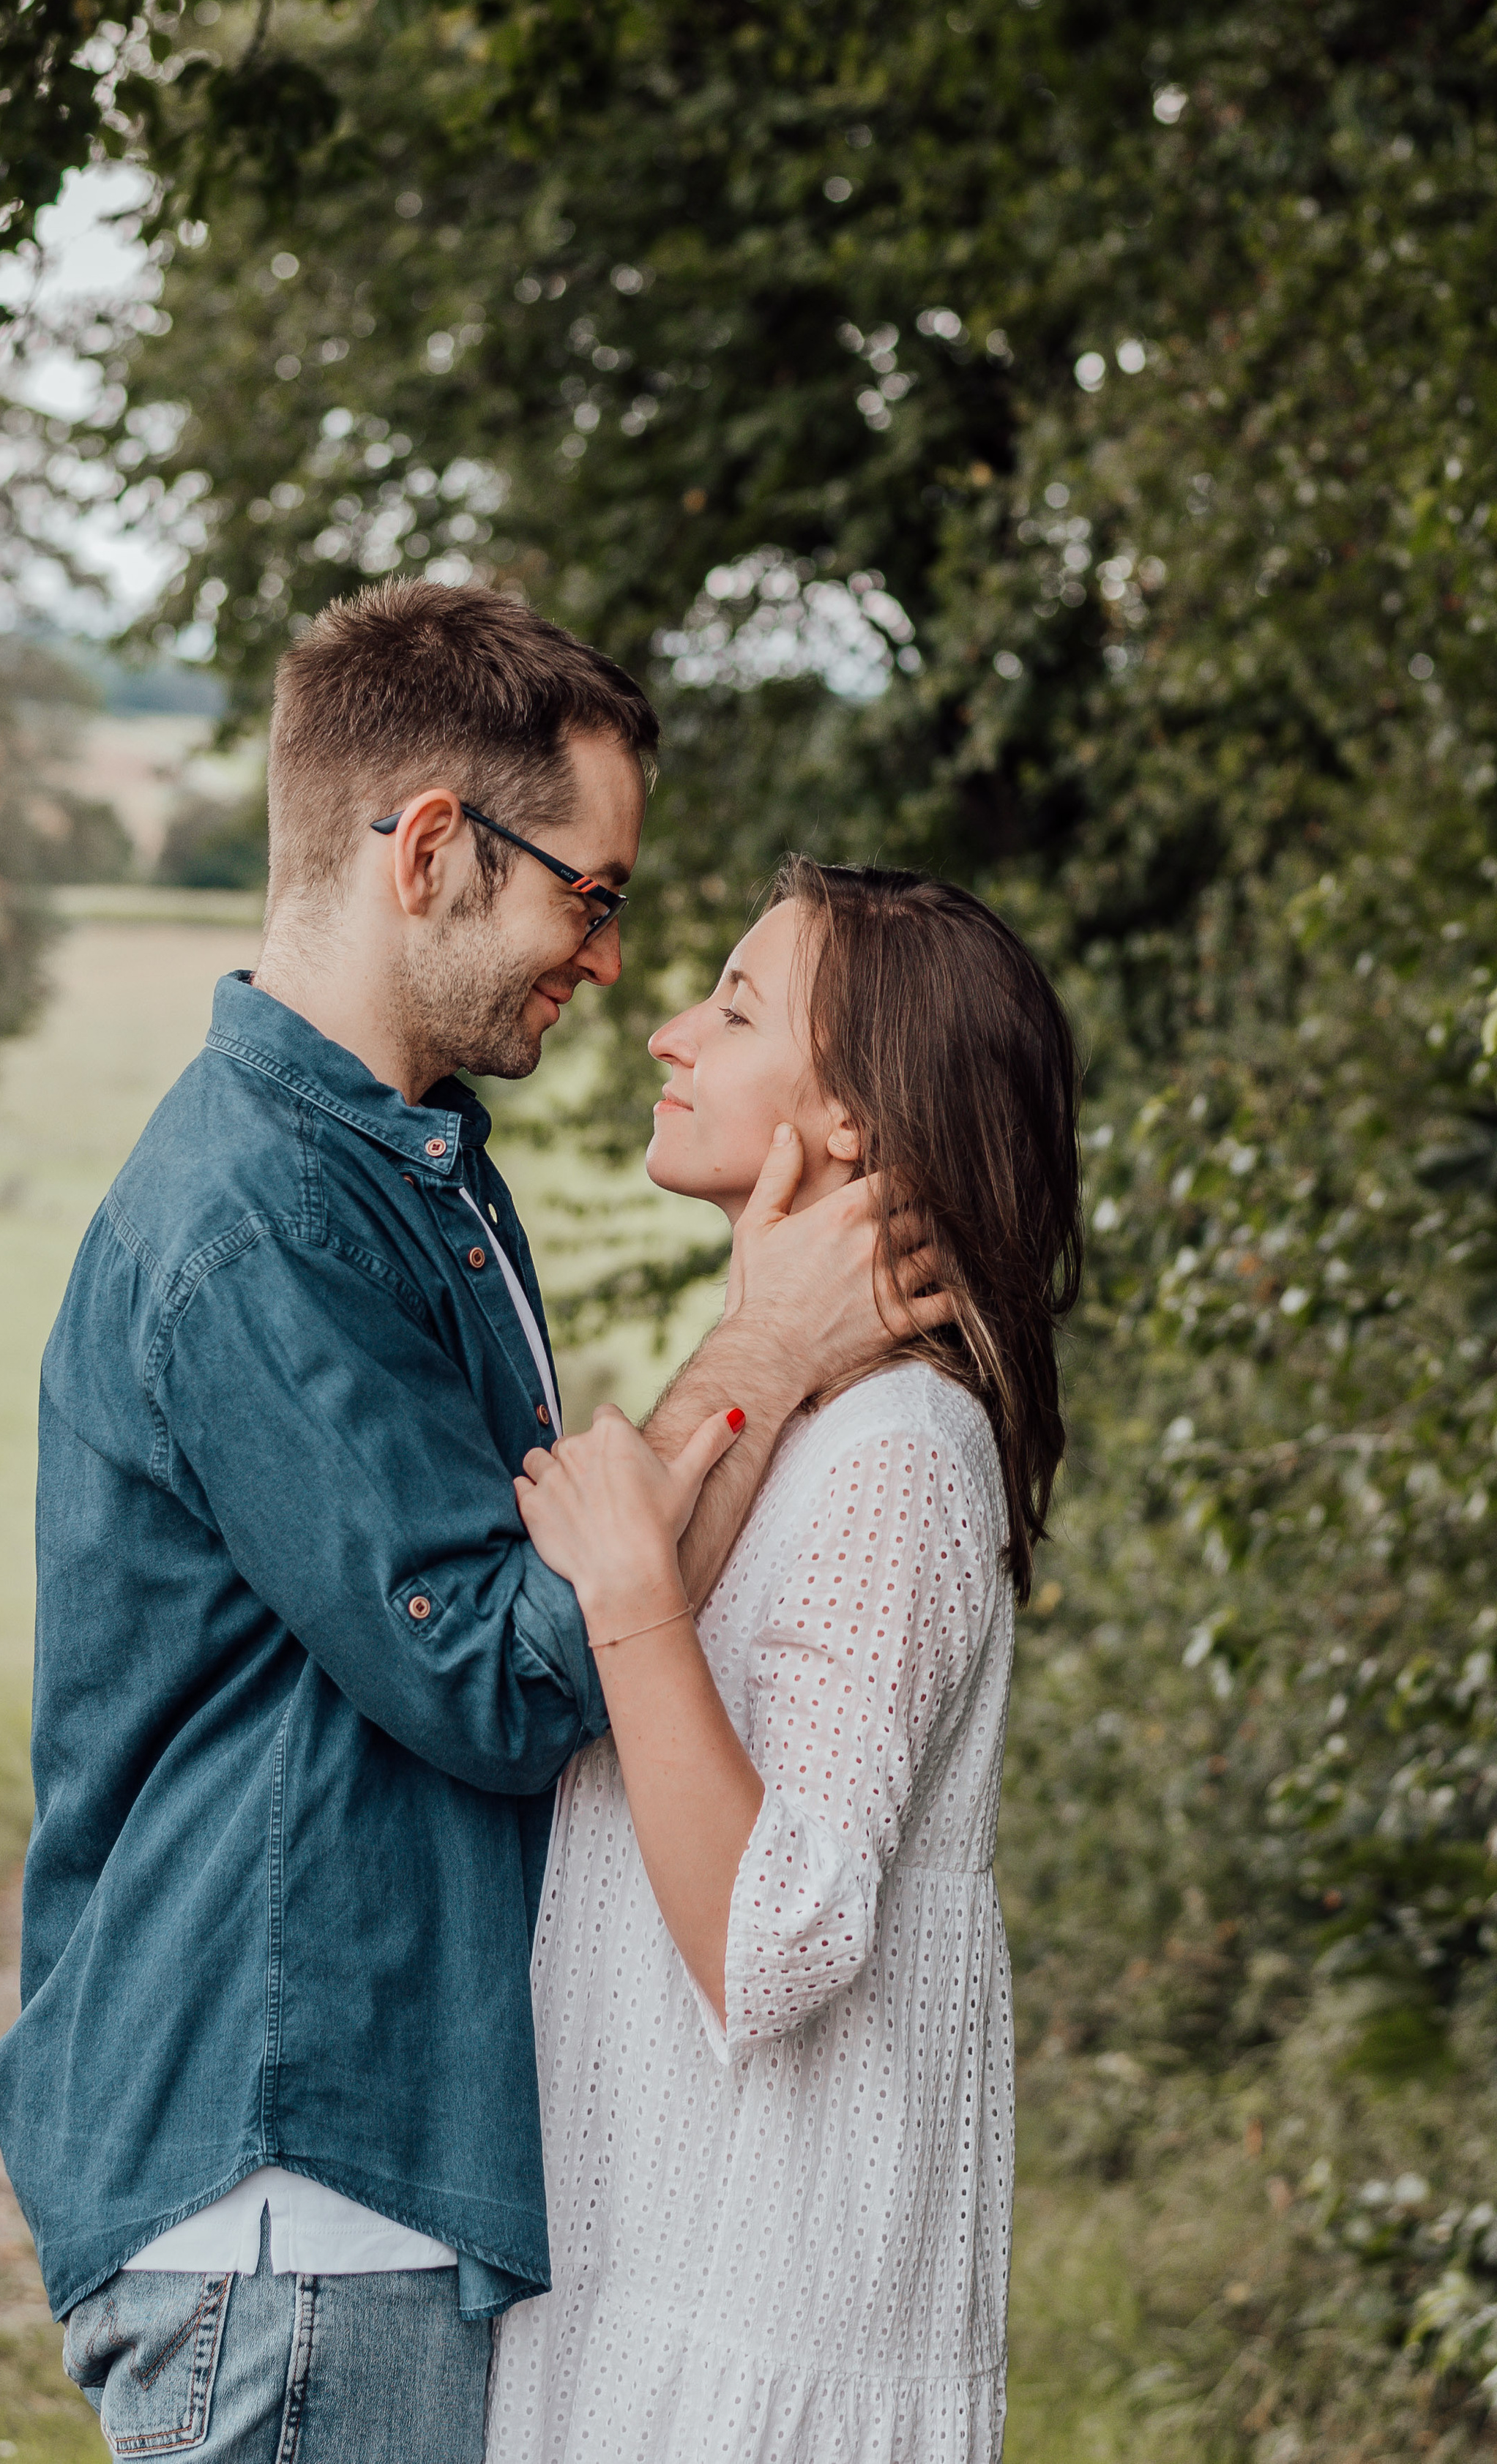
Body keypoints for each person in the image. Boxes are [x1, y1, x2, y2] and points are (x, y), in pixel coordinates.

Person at [0, 582, 941, 2464]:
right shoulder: (261, 1222)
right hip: (290, 2186)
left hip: (350, 2188)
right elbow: (503, 1673)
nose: (608, 958)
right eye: (588, 892)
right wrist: (760, 1349)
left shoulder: (404, 1172)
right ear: (430, 848)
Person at [486, 858, 1083, 2464]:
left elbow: (779, 1934)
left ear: (856, 1124)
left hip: (747, 2333)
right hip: (645, 2280)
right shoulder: (804, 1426)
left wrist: (631, 1597)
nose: (669, 1030)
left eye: (736, 1008)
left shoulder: (897, 1451)